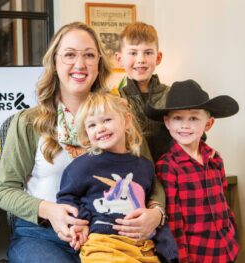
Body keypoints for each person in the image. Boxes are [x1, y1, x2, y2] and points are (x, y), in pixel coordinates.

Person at [0, 22, 165, 263]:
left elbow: (149, 177)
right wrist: (49, 210)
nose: (80, 64)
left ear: (99, 64)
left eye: (89, 55)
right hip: (43, 236)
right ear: (54, 62)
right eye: (70, 55)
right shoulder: (28, 122)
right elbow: (3, 190)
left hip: (111, 238)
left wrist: (156, 213)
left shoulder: (118, 115)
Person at [57, 92, 176, 263]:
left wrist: (166, 245)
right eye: (91, 125)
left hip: (143, 246)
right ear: (86, 133)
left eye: (106, 120)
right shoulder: (81, 166)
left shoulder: (144, 166)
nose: (100, 128)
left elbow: (150, 201)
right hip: (103, 244)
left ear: (127, 121)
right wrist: (81, 223)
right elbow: (66, 198)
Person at [145, 79, 240, 263]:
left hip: (225, 249)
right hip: (197, 255)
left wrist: (232, 233)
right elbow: (174, 223)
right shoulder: (168, 165)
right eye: (177, 118)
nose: (185, 125)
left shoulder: (215, 159)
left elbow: (224, 203)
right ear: (167, 122)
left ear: (208, 124)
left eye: (194, 118)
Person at [114, 21, 172, 163]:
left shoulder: (172, 95)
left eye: (148, 52)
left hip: (170, 174)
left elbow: (193, 133)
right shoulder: (115, 99)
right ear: (120, 59)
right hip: (133, 174)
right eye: (133, 53)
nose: (141, 60)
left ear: (158, 58)